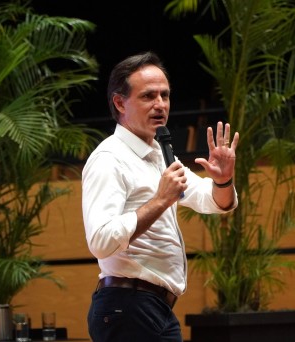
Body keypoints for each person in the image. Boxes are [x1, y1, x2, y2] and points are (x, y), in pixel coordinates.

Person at [82, 51, 239, 342]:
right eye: (148, 96)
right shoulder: (109, 158)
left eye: (165, 96)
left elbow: (215, 202)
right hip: (126, 307)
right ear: (120, 102)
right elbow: (100, 241)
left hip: (155, 309)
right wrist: (160, 200)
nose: (160, 105)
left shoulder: (158, 153)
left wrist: (223, 180)